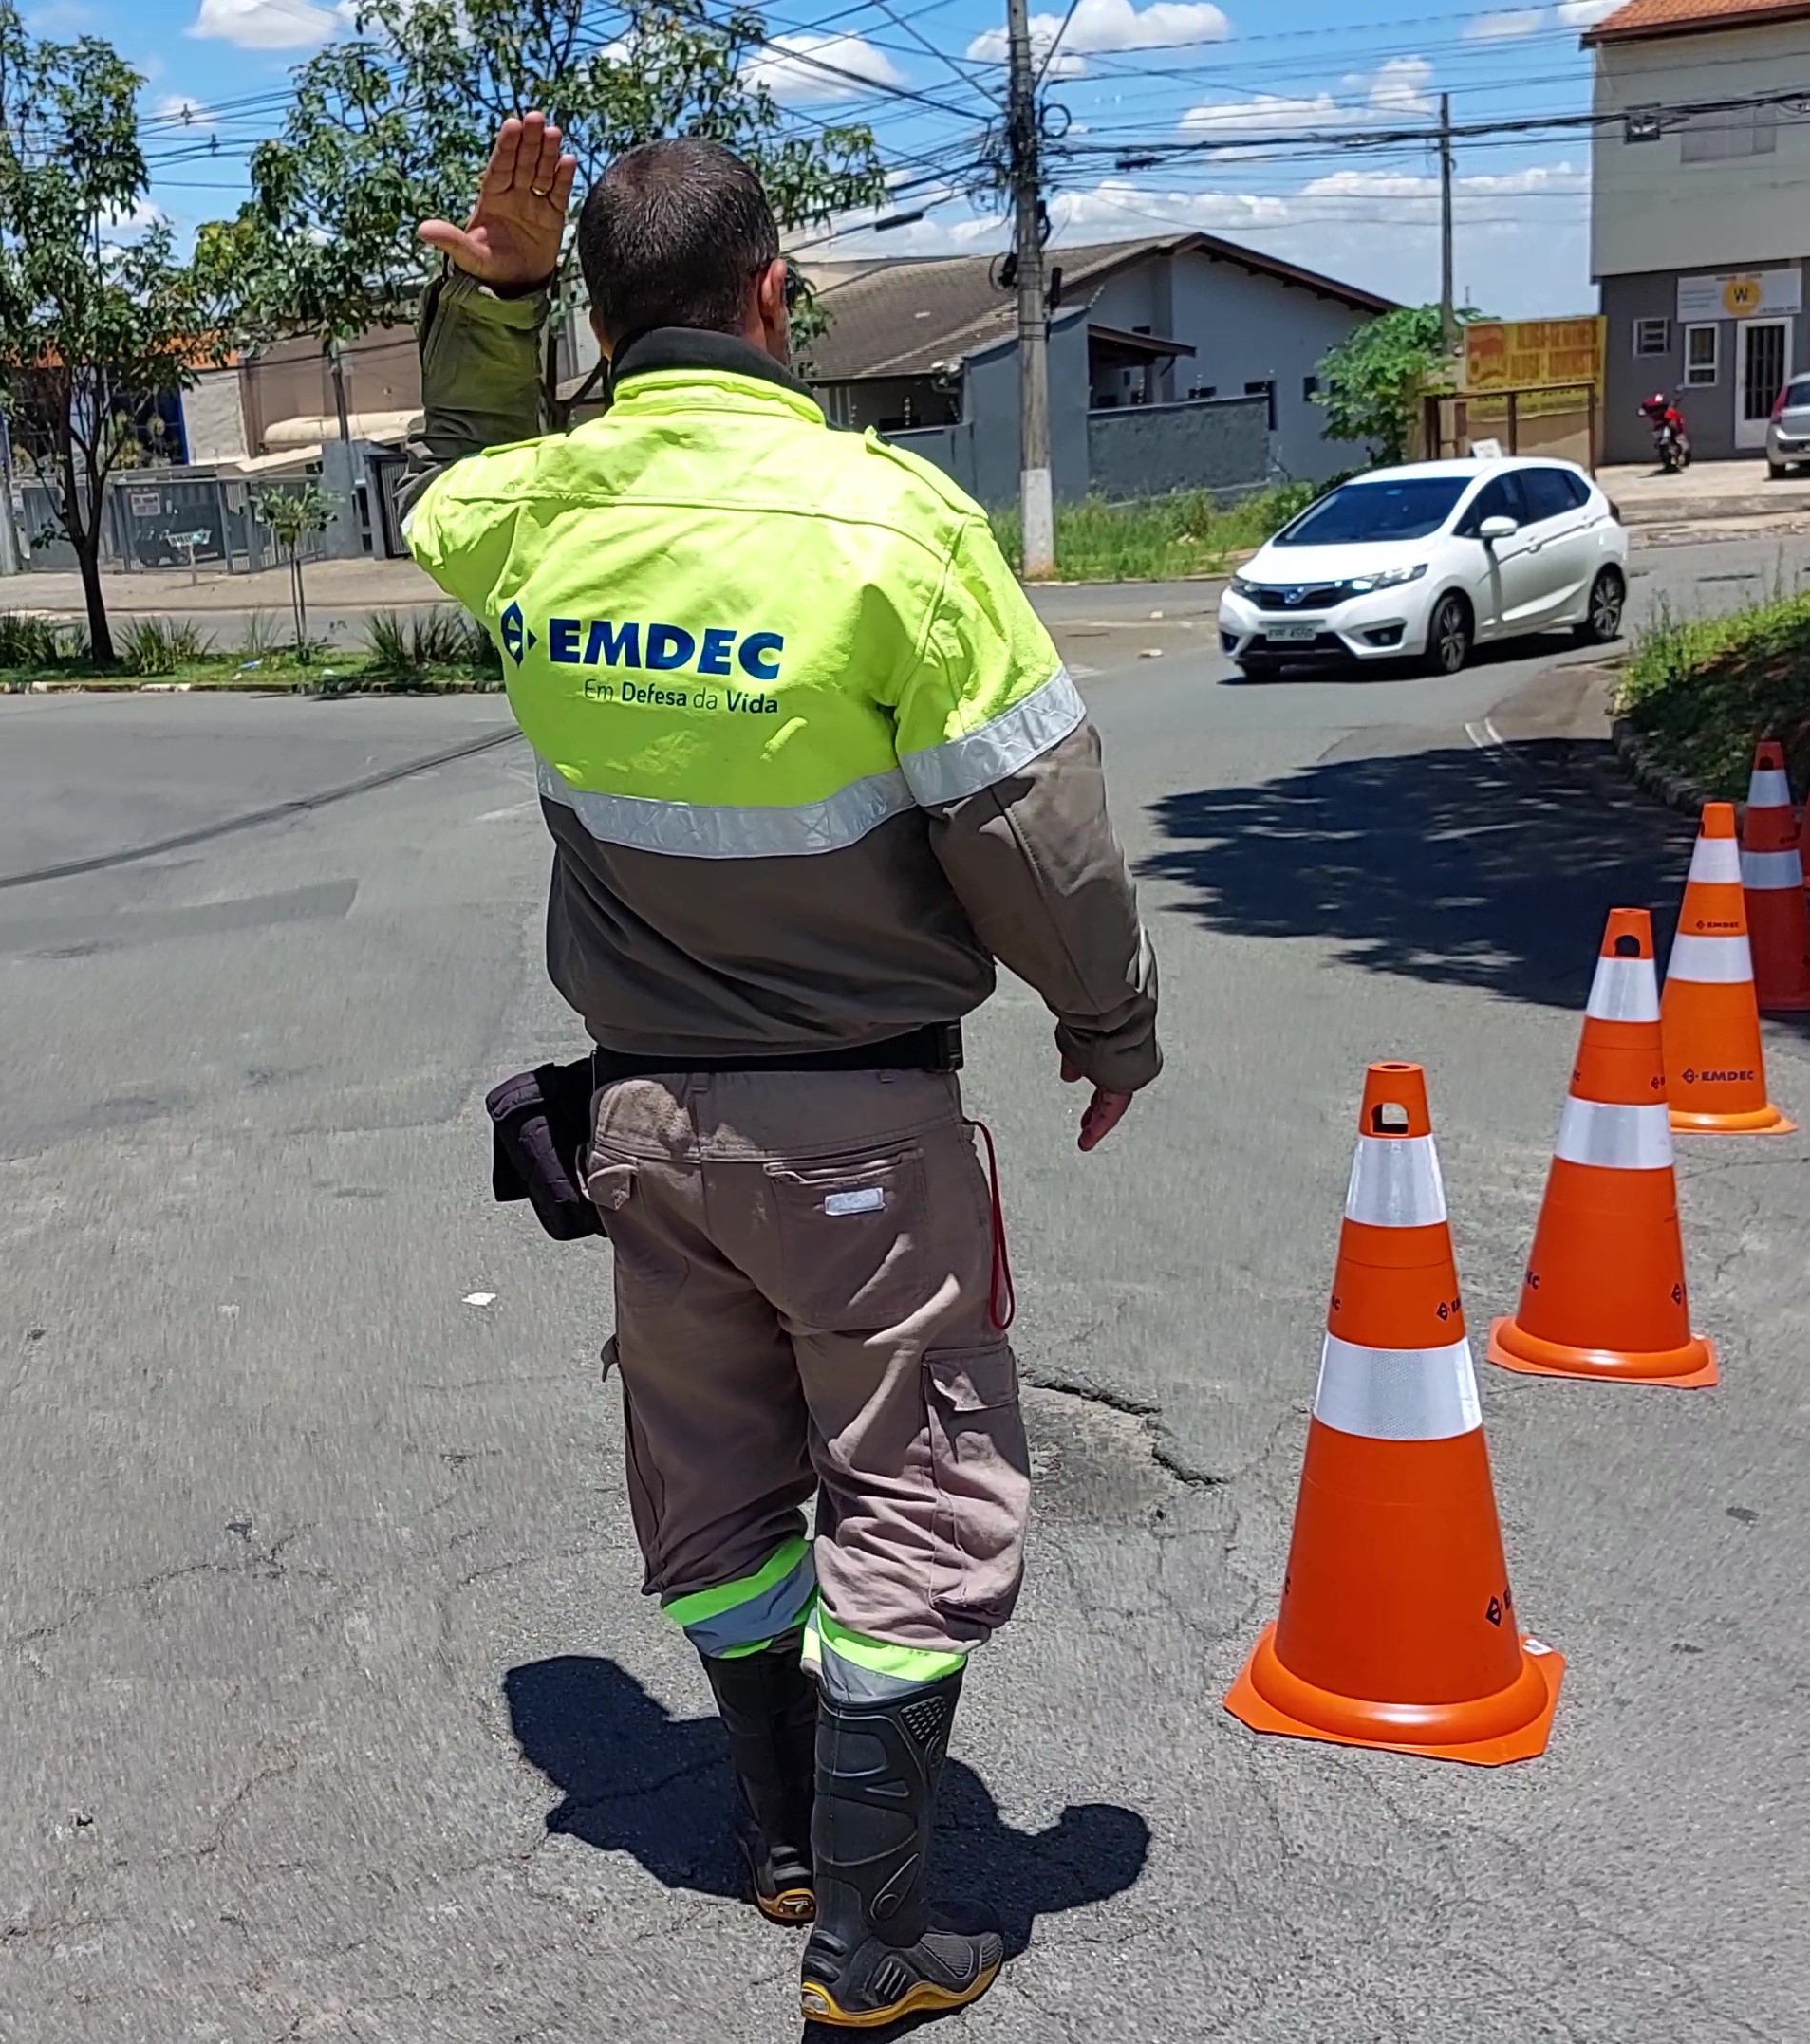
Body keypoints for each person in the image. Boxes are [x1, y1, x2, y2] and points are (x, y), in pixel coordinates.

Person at [401, 113, 1162, 2029]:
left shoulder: (537, 519)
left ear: (599, 315)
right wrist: (1109, 1019)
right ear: (774, 299)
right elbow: (1034, 827)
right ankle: (873, 1935)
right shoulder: (892, 526)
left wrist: (485, 311)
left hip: (643, 1128)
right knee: (906, 1497)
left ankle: (781, 1833)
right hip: (862, 1128)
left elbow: (460, 469)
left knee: (716, 1486)